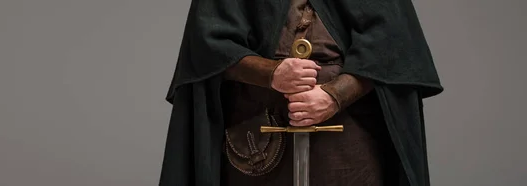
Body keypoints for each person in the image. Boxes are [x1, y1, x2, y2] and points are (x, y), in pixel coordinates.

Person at [159, 0, 443, 185]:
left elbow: (393, 45)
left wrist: (335, 95)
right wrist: (271, 73)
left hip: (352, 136)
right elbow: (209, 44)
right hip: (257, 135)